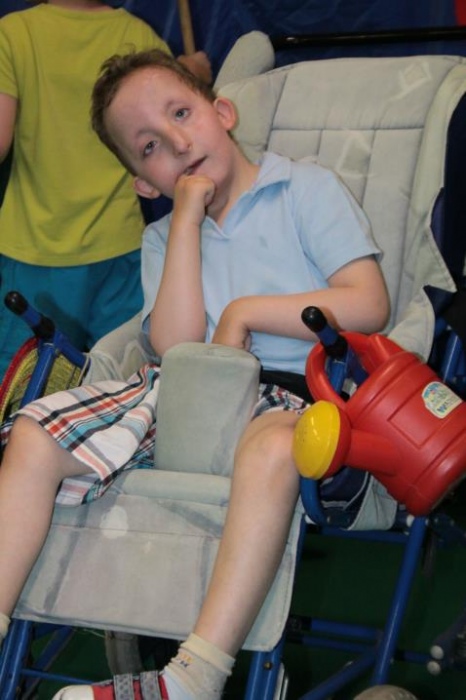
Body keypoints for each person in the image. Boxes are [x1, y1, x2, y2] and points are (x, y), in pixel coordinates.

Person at [0, 49, 392, 699]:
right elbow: (174, 344)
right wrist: (184, 220)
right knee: (34, 431)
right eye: (151, 147)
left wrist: (244, 312)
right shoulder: (163, 239)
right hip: (179, 392)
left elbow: (368, 302)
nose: (178, 144)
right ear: (144, 185)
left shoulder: (304, 189)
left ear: (223, 112)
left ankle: (193, 677)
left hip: (293, 390)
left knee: (274, 446)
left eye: (181, 114)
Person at [0, 0, 211, 381]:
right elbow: (175, 121)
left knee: (26, 389)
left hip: (35, 252)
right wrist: (193, 75)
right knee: (124, 386)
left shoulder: (13, 33)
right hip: (120, 251)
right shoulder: (137, 35)